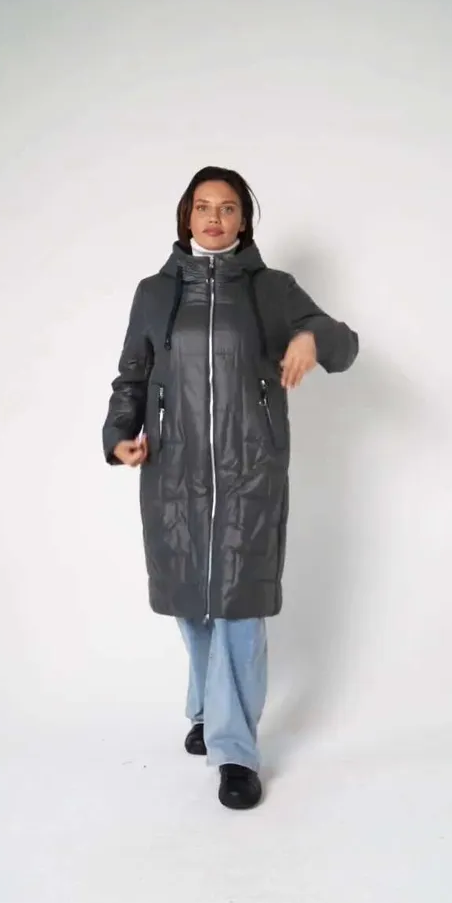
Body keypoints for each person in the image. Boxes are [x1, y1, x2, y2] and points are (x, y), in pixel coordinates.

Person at [102, 166, 359, 810]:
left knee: (240, 603)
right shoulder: (154, 293)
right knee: (191, 599)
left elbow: (344, 344)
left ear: (244, 219)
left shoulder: (272, 290)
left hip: (250, 471)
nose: (214, 218)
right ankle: (206, 707)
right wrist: (118, 436)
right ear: (186, 216)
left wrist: (309, 337)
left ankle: (235, 750)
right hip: (174, 469)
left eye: (227, 207)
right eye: (202, 207)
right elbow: (132, 376)